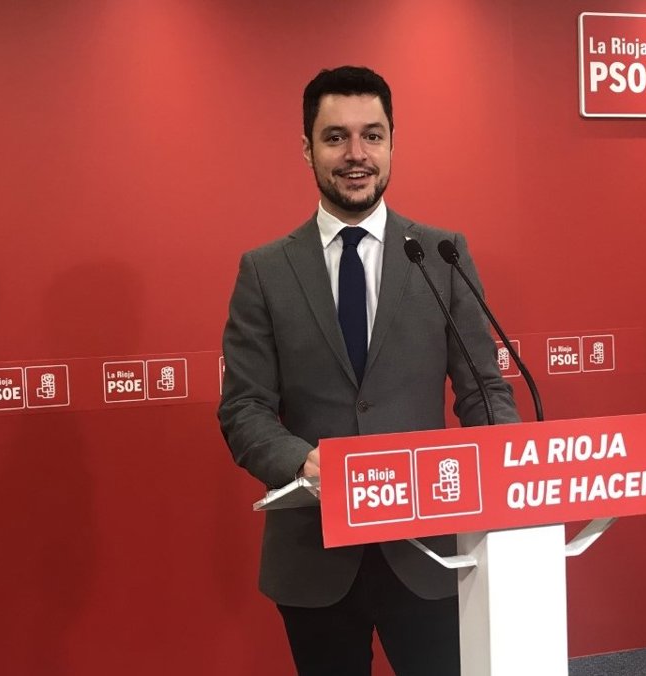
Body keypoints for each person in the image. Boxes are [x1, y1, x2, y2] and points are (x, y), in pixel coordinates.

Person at [218, 65, 518, 676]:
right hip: (316, 556)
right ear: (308, 149)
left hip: (430, 553)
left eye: (372, 136)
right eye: (336, 137)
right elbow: (244, 408)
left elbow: (483, 390)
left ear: (391, 144)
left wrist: (510, 471)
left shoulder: (441, 255)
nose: (356, 154)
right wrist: (302, 462)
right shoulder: (265, 272)